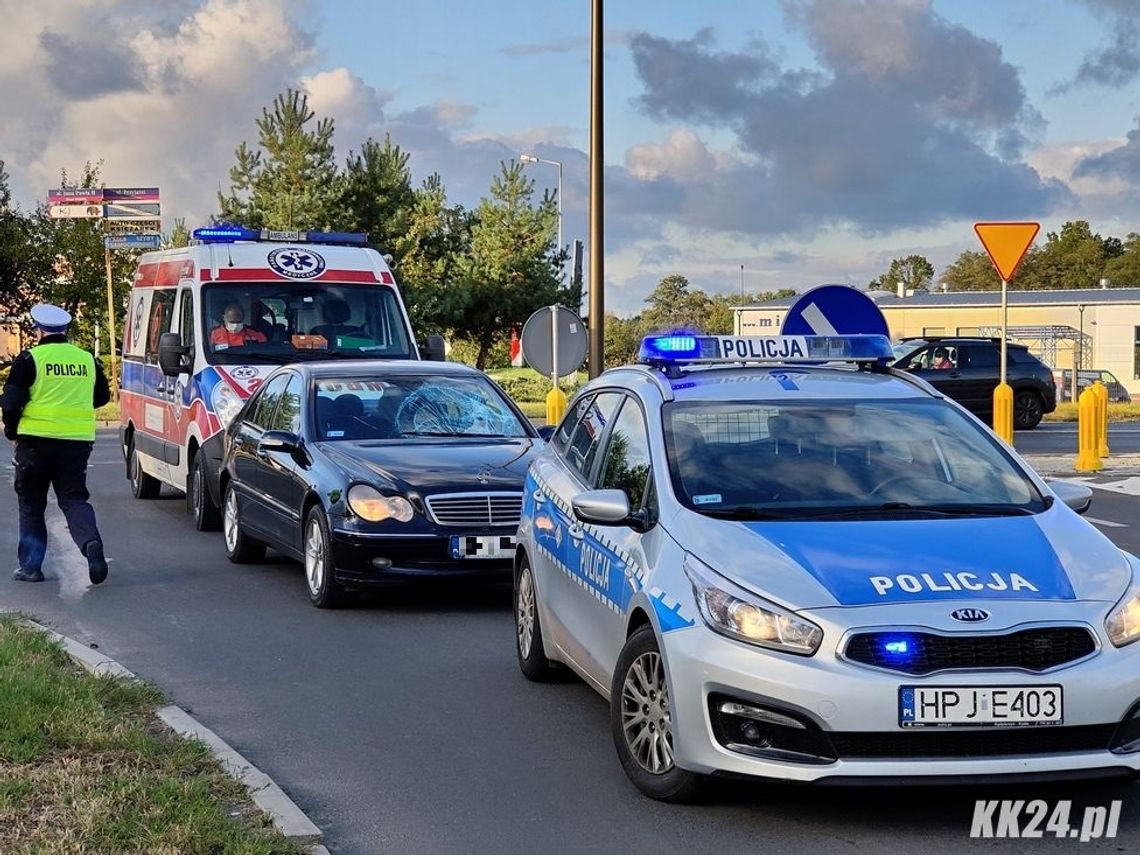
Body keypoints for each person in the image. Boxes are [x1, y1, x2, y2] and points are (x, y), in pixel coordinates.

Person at [1, 304, 110, 584]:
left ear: (39, 330)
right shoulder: (87, 360)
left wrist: (12, 431)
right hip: (76, 444)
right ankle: (90, 544)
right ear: (66, 330)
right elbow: (101, 398)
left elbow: (11, 402)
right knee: (74, 500)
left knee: (31, 504)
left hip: (35, 443)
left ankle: (31, 567)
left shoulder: (30, 359)